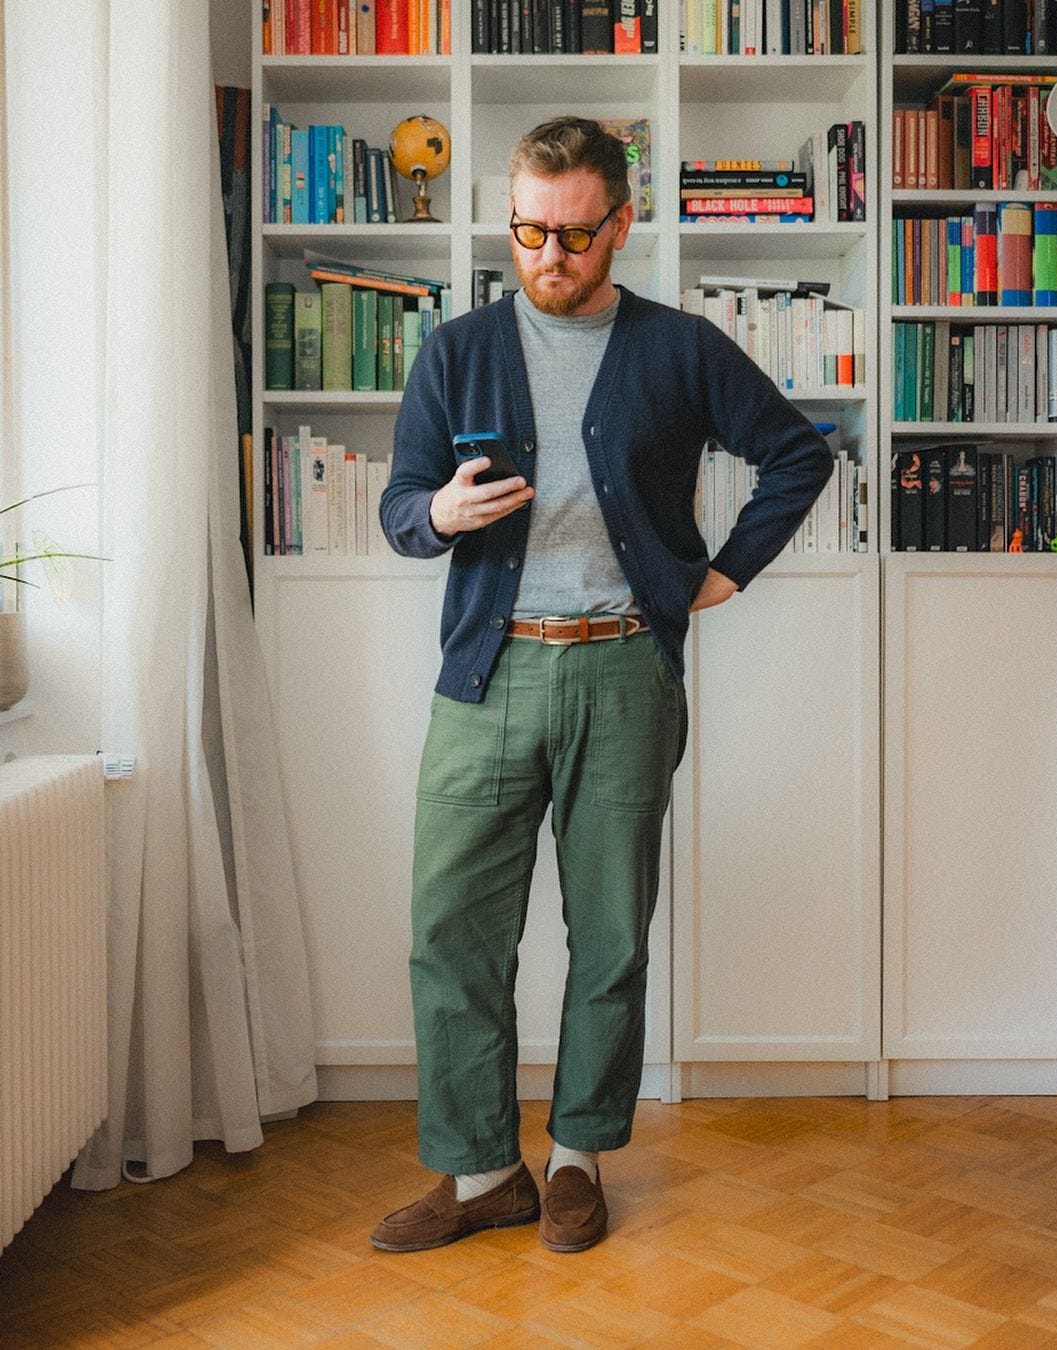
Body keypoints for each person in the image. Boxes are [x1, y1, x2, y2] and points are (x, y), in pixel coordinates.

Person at [372, 115, 832, 1255]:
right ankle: (483, 1176)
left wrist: (719, 577)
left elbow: (798, 452)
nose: (550, 256)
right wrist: (436, 514)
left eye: (577, 234)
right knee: (451, 931)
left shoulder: (678, 348)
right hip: (487, 674)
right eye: (529, 230)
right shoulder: (457, 349)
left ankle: (576, 1158)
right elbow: (401, 509)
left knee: (611, 932)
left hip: (625, 667)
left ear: (621, 224)